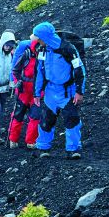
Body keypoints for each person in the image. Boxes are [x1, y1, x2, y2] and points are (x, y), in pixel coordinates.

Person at [32, 22, 86, 159]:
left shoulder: (68, 49)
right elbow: (39, 72)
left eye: (38, 38)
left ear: (45, 37)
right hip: (50, 91)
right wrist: (36, 92)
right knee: (46, 120)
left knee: (72, 120)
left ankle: (73, 149)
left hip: (68, 91)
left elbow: (79, 70)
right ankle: (42, 147)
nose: (37, 41)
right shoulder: (42, 50)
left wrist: (79, 92)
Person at [8, 36, 41, 149]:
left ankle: (31, 141)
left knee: (35, 116)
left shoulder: (44, 56)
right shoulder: (27, 54)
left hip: (37, 91)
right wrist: (17, 82)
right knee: (18, 115)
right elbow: (15, 70)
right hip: (24, 90)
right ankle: (13, 139)